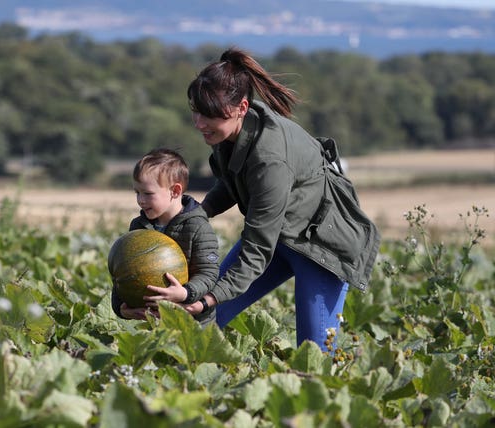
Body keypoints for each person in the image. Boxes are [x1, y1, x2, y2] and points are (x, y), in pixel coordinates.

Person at [174, 47, 381, 351]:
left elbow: (257, 248)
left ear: (241, 107)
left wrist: (209, 298)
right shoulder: (230, 132)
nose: (199, 123)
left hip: (320, 248)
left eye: (209, 115)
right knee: (196, 325)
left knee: (314, 356)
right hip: (278, 234)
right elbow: (233, 182)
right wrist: (197, 214)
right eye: (196, 111)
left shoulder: (270, 159)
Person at [110, 148, 220, 326]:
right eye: (137, 193)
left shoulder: (197, 227)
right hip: (151, 323)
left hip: (193, 323)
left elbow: (209, 273)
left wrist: (185, 293)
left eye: (147, 193)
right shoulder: (138, 226)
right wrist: (121, 306)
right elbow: (123, 275)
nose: (140, 200)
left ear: (175, 191)